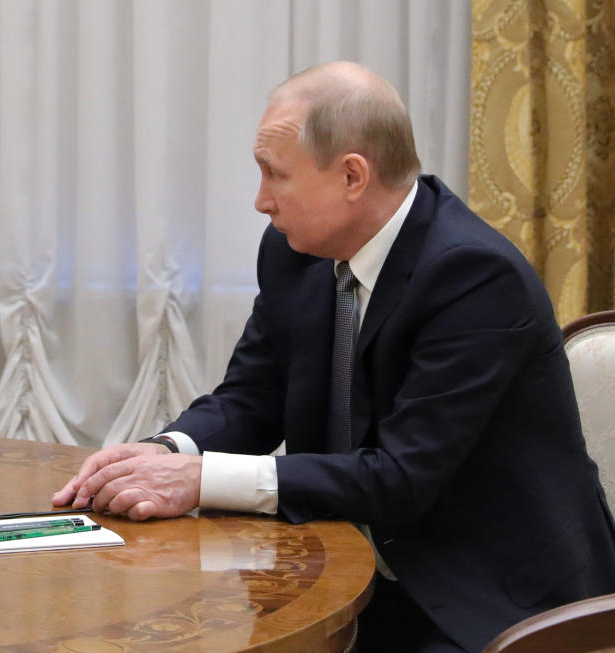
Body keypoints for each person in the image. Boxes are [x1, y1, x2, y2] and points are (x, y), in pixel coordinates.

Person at [53, 62, 615, 652]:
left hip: (491, 595)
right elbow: (252, 397)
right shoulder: (296, 251)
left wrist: (197, 479)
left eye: (276, 176)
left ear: (352, 176)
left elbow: (400, 477)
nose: (261, 201)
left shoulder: (473, 276)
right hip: (348, 569)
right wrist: (161, 452)